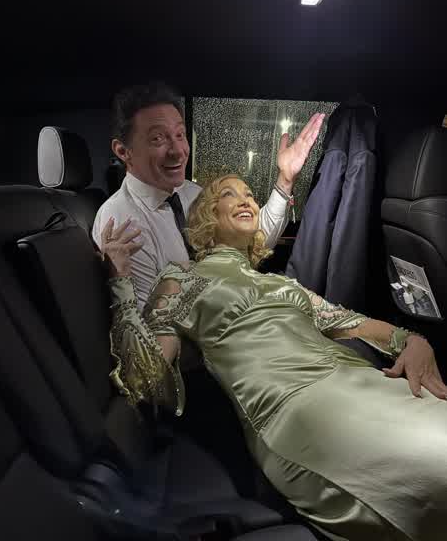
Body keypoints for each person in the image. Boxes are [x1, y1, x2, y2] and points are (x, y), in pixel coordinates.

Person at [102, 174, 447, 541]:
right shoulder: (183, 276)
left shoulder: (281, 284)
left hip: (362, 382)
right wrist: (119, 282)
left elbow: (351, 322)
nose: (246, 200)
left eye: (251, 194)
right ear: (207, 216)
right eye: (229, 194)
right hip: (296, 411)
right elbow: (148, 374)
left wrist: (413, 341)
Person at [92, 82, 325, 307]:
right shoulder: (122, 221)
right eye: (157, 139)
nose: (178, 151)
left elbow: (248, 240)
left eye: (180, 135)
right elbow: (148, 322)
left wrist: (285, 179)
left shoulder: (190, 192)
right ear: (123, 151)